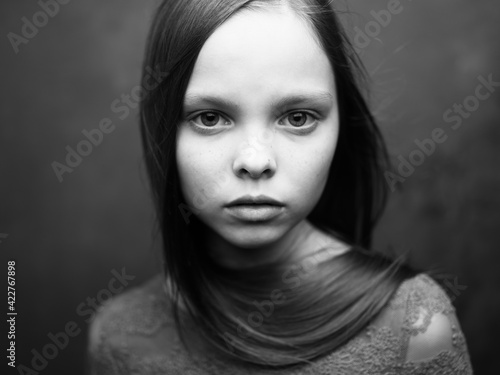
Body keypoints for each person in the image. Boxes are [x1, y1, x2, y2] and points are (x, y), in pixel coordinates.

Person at [86, 0, 474, 373]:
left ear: (341, 124)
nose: (255, 161)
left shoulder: (417, 326)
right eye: (209, 118)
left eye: (298, 117)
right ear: (162, 128)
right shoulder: (119, 338)